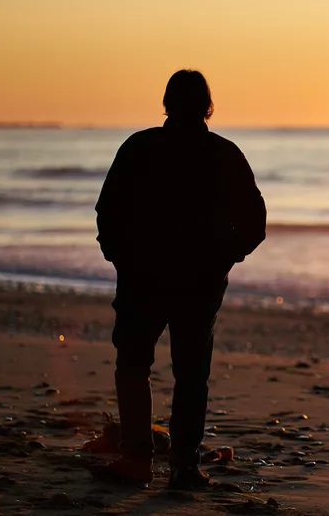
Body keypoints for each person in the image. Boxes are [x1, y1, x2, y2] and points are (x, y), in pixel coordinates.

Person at [93, 69, 266, 489]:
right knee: (190, 374)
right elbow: (254, 225)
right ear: (208, 106)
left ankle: (137, 458)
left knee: (134, 364)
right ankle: (183, 465)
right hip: (196, 283)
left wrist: (123, 260)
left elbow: (107, 214)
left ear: (167, 103)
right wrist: (222, 258)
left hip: (144, 278)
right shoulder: (224, 154)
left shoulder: (139, 147)